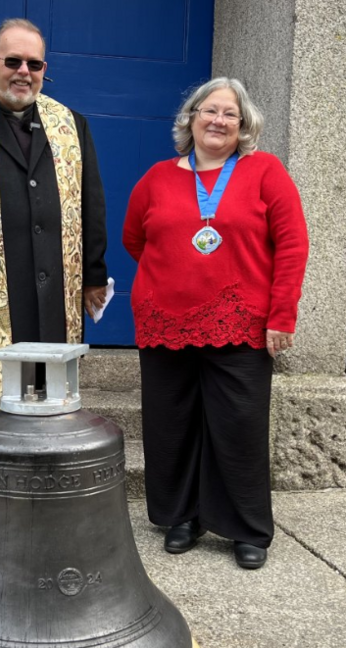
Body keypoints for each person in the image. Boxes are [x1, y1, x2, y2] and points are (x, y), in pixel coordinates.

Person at [122, 78, 309, 569]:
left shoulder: (265, 171)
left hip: (240, 321)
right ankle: (180, 517)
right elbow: (134, 238)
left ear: (244, 126)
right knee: (171, 425)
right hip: (165, 321)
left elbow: (292, 246)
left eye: (231, 115)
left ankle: (245, 527)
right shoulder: (157, 178)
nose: (218, 121)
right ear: (192, 118)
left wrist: (281, 314)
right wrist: (175, 277)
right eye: (210, 111)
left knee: (239, 426)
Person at [0, 18, 108, 415]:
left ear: (45, 70)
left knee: (54, 378)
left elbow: (92, 204)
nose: (24, 72)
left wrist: (94, 275)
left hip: (58, 280)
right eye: (13, 61)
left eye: (35, 64)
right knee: (8, 379)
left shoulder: (73, 126)